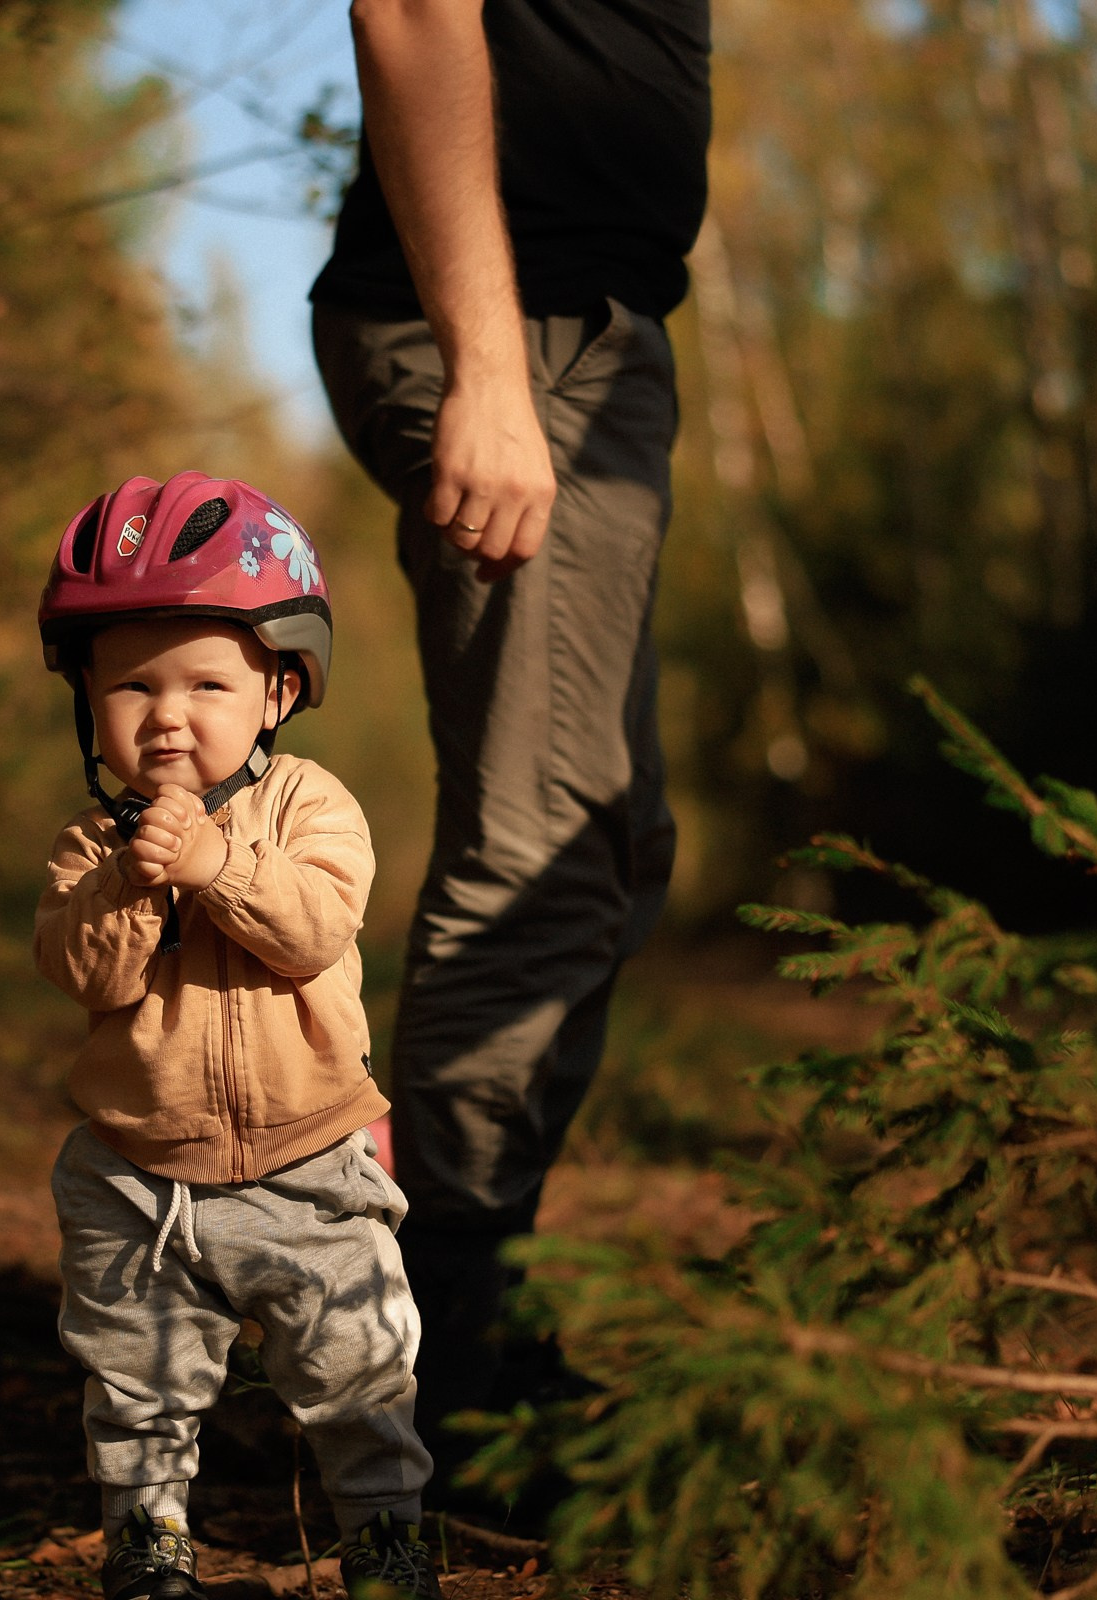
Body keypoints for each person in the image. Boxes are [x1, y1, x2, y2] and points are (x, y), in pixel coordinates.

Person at [312, 0, 713, 1489]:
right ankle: (439, 1382)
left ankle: (472, 1320)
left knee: (604, 842)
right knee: (540, 850)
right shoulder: (504, 343)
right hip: (512, 334)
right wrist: (487, 364)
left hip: (587, 339)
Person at [33, 472, 441, 1600]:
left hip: (309, 1164)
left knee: (360, 1373)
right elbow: (83, 971)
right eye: (132, 687)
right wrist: (131, 879)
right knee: (135, 1390)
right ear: (90, 704)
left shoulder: (313, 807)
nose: (168, 714)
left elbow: (314, 932)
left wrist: (216, 862)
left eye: (207, 682)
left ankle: (389, 1553)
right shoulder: (86, 846)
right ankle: (150, 1552)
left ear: (277, 691)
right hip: (134, 1173)